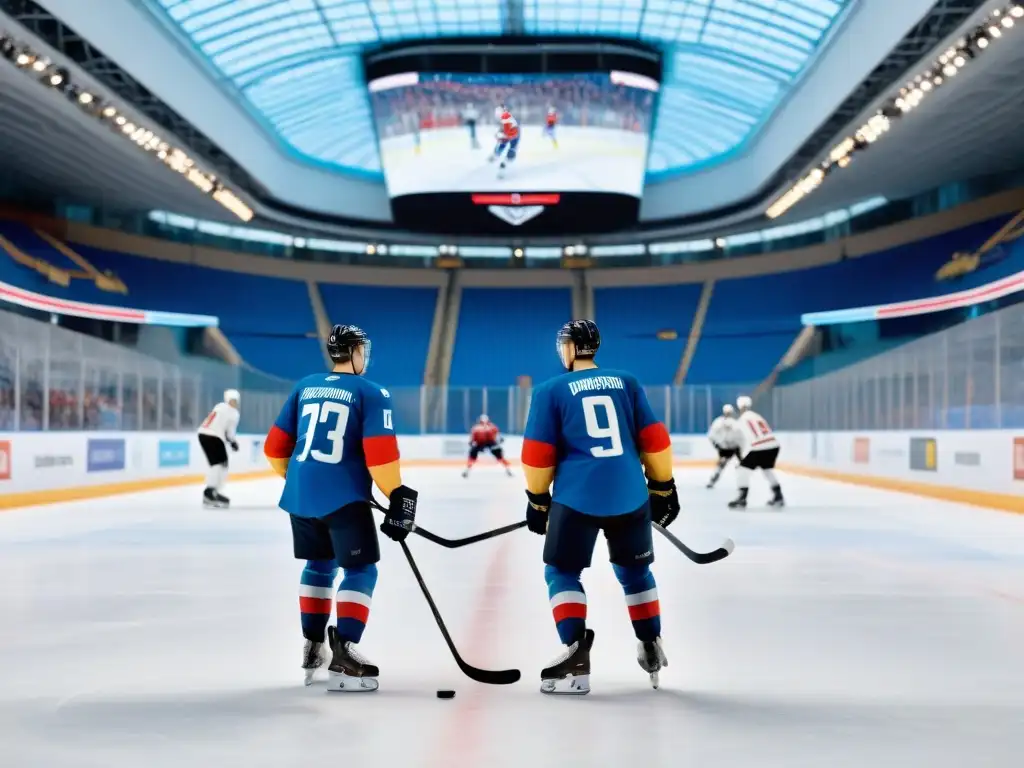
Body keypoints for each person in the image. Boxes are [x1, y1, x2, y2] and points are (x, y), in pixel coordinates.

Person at [520, 320, 681, 694]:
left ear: (570, 349)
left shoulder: (550, 390)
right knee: (635, 572)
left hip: (577, 498)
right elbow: (654, 439)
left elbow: (537, 454)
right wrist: (662, 487)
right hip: (630, 494)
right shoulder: (626, 382)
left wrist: (538, 499)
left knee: (561, 571)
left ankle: (575, 653)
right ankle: (650, 642)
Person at [263, 325, 419, 691]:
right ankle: (345, 652)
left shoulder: (305, 385)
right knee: (361, 569)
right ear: (354, 353)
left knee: (318, 566)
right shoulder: (371, 391)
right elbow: (381, 456)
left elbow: (273, 449)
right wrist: (397, 496)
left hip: (300, 494)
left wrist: (302, 479)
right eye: (362, 350)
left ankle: (313, 646)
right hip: (344, 497)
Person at [729, 395, 784, 509]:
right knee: (767, 469)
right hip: (773, 445)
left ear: (740, 407)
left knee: (742, 469)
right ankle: (778, 496)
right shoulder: (758, 416)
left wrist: (741, 457)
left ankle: (742, 497)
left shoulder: (741, 420)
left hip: (759, 447)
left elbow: (741, 439)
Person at [197, 388, 240, 508]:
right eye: (233, 400)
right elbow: (229, 432)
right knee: (220, 464)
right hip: (214, 436)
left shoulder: (219, 406)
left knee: (218, 463)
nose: (234, 403)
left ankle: (213, 490)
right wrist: (233, 442)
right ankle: (210, 492)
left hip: (203, 434)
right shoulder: (234, 413)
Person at [706, 404, 740, 489]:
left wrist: (716, 444)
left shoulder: (720, 421)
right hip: (729, 447)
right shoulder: (733, 421)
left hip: (730, 447)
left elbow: (710, 435)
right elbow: (711, 435)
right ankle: (713, 480)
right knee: (722, 465)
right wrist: (716, 445)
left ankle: (712, 481)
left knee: (741, 465)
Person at [487, 106, 520, 178]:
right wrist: (500, 134)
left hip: (513, 136)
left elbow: (512, 132)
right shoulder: (504, 118)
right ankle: (497, 155)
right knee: (502, 146)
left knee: (510, 152)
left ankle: (503, 165)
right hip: (510, 134)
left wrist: (502, 136)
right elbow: (503, 128)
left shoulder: (507, 119)